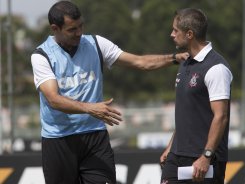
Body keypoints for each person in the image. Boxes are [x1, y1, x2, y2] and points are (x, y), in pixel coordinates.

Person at [30, 1, 188, 184]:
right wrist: (90, 108)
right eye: (72, 29)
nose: (79, 33)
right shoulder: (42, 56)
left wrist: (175, 58)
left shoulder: (96, 43)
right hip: (58, 140)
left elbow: (140, 62)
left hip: (95, 137)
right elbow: (54, 100)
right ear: (55, 28)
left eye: (81, 26)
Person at [160, 8, 233, 184]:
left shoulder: (217, 68)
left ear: (190, 34)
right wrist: (171, 147)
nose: (172, 34)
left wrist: (206, 156)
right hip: (176, 156)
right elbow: (187, 112)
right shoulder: (185, 63)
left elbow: (221, 116)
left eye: (176, 30)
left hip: (203, 160)